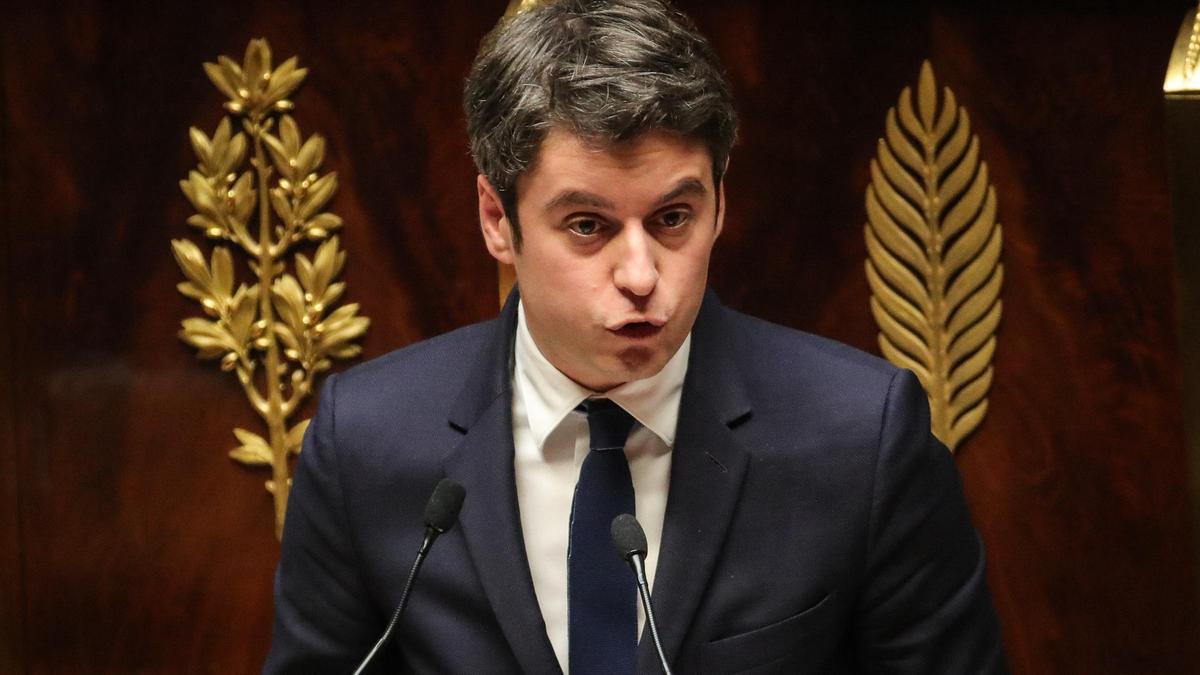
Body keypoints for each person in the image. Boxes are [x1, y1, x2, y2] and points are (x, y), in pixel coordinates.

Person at [264, 1, 1007, 672]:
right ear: (498, 219)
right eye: (588, 225)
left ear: (719, 204)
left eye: (672, 218)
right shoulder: (366, 439)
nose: (642, 273)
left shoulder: (863, 437)